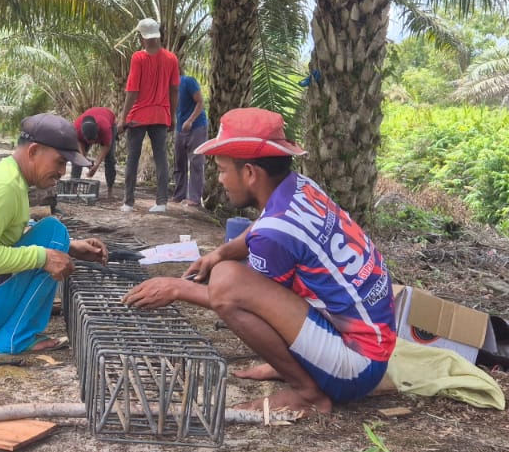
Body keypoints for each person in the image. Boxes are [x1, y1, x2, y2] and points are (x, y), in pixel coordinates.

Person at [122, 108, 396, 413]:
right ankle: (307, 367)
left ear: (250, 173)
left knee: (228, 282)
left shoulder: (274, 233)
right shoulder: (300, 187)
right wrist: (220, 252)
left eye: (224, 170)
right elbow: (260, 228)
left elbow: (242, 298)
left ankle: (308, 392)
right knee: (230, 272)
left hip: (356, 367)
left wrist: (176, 288)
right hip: (377, 340)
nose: (222, 180)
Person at [0, 113, 110, 356]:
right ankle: (15, 339)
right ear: (34, 151)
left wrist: (70, 246)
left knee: (54, 236)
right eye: (59, 161)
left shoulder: (5, 176)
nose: (62, 172)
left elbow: (2, 237)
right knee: (53, 234)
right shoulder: (4, 188)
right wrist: (43, 256)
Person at [116, 17, 178, 214]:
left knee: (132, 157)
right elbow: (174, 89)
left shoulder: (138, 58)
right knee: (161, 158)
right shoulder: (171, 59)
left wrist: (123, 118)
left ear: (142, 37)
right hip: (161, 115)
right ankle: (161, 202)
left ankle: (128, 202)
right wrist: (173, 116)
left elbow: (132, 91)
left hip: (138, 116)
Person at [170, 73, 208, 208]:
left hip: (197, 126)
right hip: (180, 128)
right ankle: (179, 195)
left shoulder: (187, 81)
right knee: (179, 162)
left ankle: (194, 198)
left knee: (196, 162)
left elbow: (200, 101)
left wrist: (190, 120)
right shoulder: (168, 87)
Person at [72, 106, 117, 198]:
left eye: (94, 139)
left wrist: (96, 165)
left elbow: (107, 146)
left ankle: (110, 191)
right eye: (89, 141)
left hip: (109, 120)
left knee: (110, 159)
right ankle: (73, 189)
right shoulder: (76, 128)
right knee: (77, 158)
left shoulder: (105, 127)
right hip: (84, 132)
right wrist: (83, 158)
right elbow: (78, 142)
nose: (92, 143)